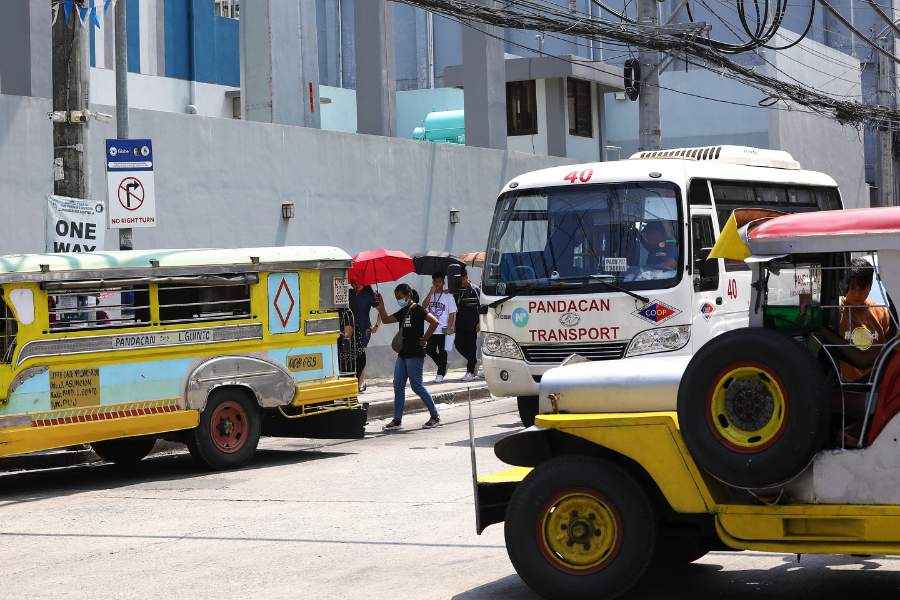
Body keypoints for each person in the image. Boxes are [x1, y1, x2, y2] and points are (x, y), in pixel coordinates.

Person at [819, 258, 892, 425]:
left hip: (874, 388)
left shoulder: (882, 313)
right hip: (846, 384)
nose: (857, 294)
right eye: (852, 288)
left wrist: (819, 328)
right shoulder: (834, 311)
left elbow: (867, 360)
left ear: (871, 286)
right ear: (844, 286)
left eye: (862, 289)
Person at [374, 284, 442, 431]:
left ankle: (435, 416)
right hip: (403, 354)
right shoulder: (403, 311)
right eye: (396, 298)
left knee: (417, 386)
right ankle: (397, 420)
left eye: (399, 297)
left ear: (408, 296)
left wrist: (425, 338)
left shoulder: (417, 309)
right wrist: (381, 301)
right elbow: (385, 319)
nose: (398, 300)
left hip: (415, 353)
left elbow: (434, 321)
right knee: (398, 386)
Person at [346, 284, 382, 392]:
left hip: (364, 328)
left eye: (360, 283)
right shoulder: (349, 293)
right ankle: (350, 380)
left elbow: (381, 310)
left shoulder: (369, 295)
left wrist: (377, 325)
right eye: (355, 282)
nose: (357, 285)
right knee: (348, 353)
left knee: (360, 353)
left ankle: (361, 381)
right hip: (350, 327)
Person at [422, 271, 457, 383]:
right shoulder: (429, 294)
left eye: (439, 281)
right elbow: (423, 306)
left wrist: (449, 327)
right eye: (435, 281)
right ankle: (443, 364)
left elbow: (452, 313)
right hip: (431, 328)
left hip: (443, 328)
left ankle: (440, 374)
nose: (437, 283)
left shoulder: (448, 296)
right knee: (429, 350)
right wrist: (430, 294)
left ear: (443, 282)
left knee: (442, 351)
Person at [454, 267, 482, 382]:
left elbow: (482, 307)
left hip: (472, 324)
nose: (460, 283)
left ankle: (470, 371)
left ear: (466, 278)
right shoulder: (456, 290)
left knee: (471, 347)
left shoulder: (475, 290)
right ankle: (474, 361)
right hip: (460, 324)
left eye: (462, 280)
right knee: (458, 345)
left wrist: (480, 322)